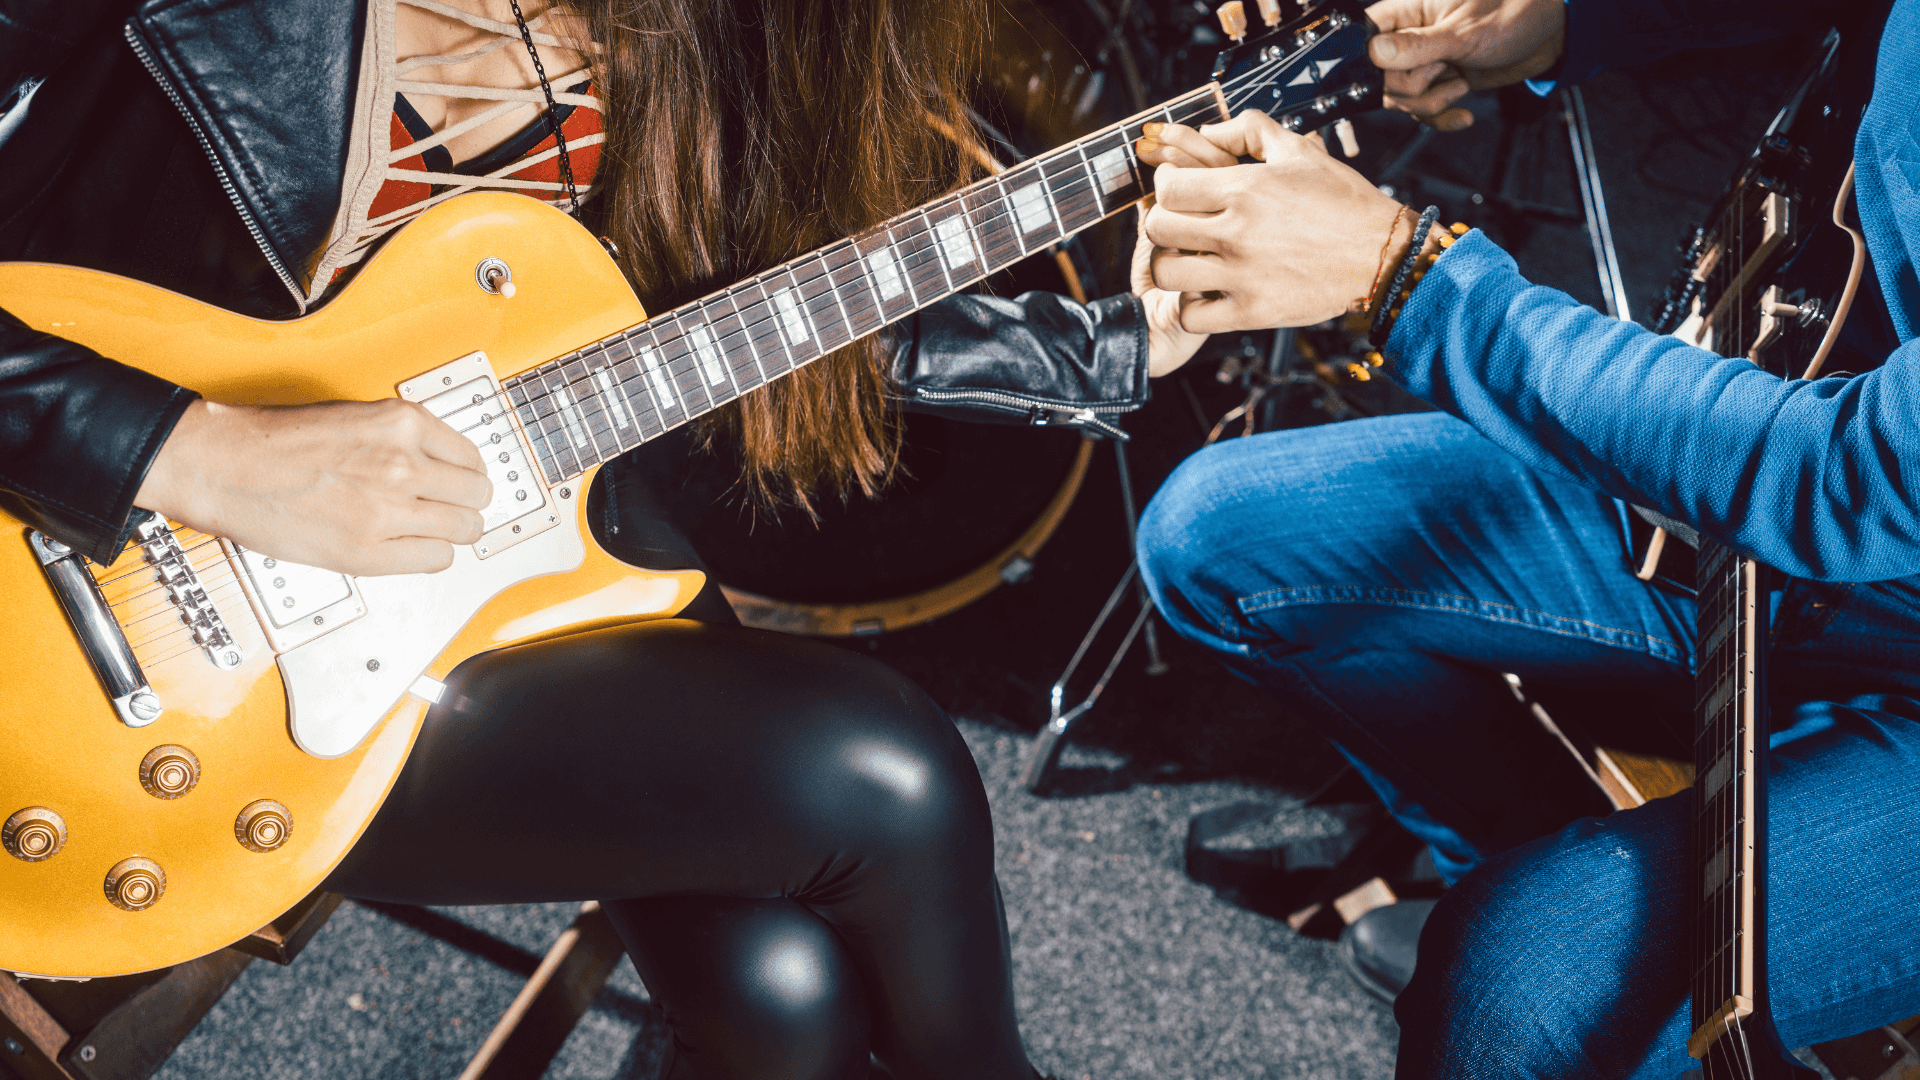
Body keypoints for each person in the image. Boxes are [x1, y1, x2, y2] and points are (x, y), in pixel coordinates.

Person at [0, 1, 1204, 1076]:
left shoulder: (722, 32)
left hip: (522, 574)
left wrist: (1108, 342)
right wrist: (198, 449)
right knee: (888, 775)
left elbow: (730, 317)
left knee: (784, 1001)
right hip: (127, 633)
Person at [1131, 0, 1920, 1073]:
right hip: (1801, 449)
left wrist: (1403, 277)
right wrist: (1555, 22)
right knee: (1218, 539)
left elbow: (1848, 480)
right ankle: (1540, 877)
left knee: (1519, 987)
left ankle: (1564, 962)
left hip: (1835, 486)